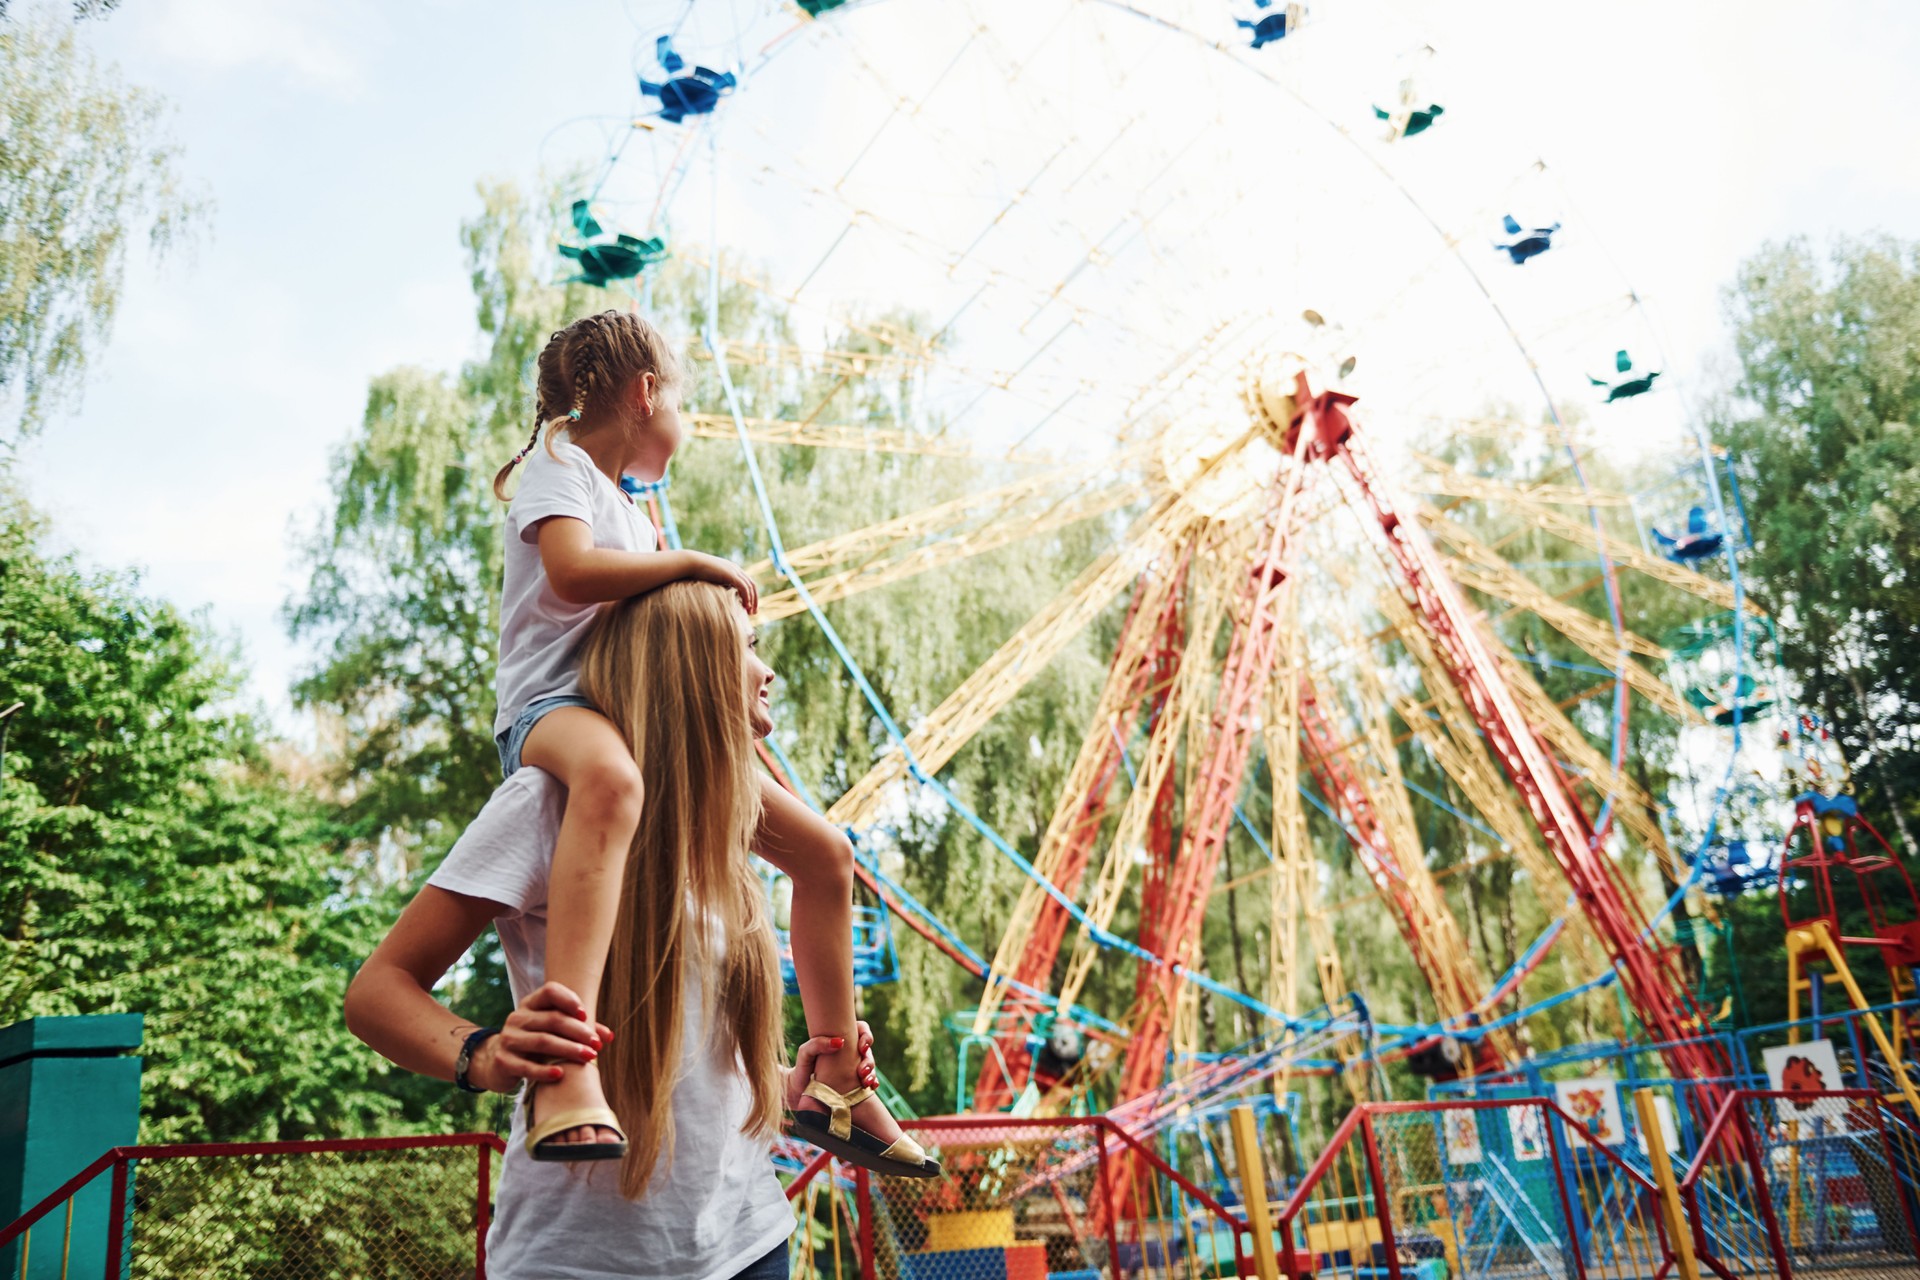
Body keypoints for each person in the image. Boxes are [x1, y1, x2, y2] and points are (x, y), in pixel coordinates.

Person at [345, 584, 936, 1278]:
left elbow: (688, 1055)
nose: (766, 671)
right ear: (691, 669)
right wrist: (487, 1054)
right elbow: (376, 993)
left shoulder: (721, 828)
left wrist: (782, 1088)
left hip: (748, 1241)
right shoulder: (548, 803)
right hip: (586, 1258)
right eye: (748, 648)